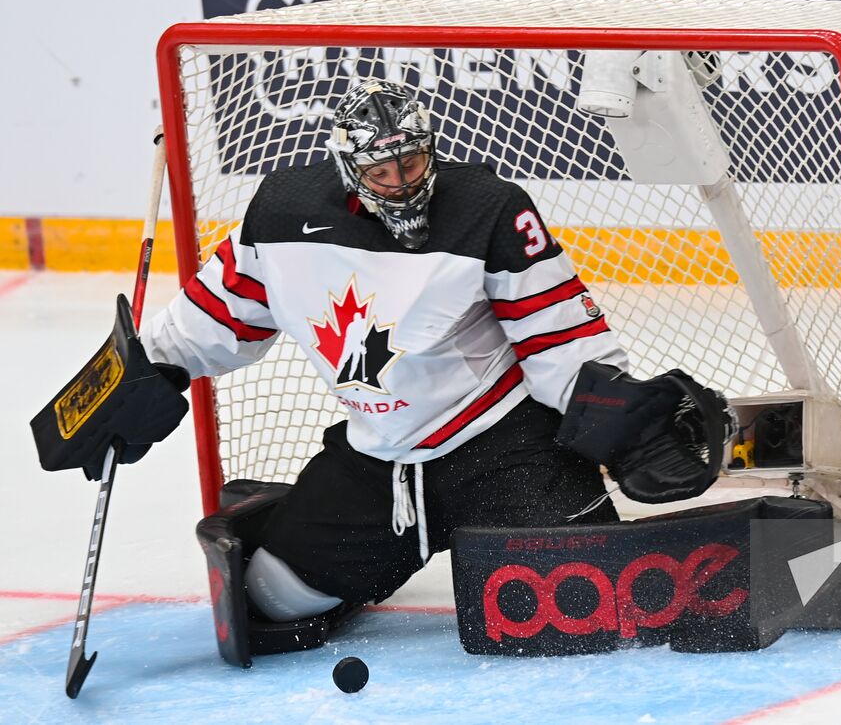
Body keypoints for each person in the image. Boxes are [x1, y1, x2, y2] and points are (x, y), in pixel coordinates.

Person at [67, 80, 730, 656]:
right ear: (347, 170)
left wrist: (613, 407)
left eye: (412, 162)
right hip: (379, 465)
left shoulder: (488, 209)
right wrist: (138, 374)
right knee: (270, 604)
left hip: (505, 448)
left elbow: (556, 335)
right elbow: (214, 317)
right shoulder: (281, 216)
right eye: (382, 172)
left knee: (562, 619)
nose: (401, 182)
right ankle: (281, 514)